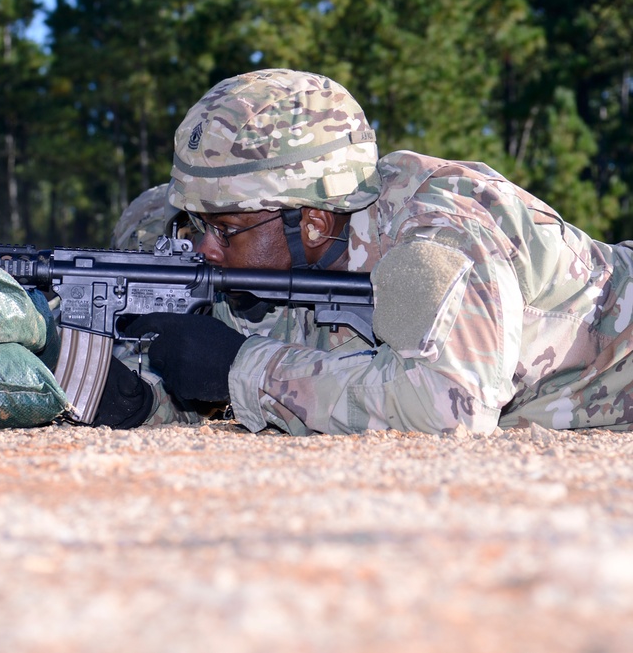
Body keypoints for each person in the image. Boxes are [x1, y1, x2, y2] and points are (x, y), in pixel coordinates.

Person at [94, 68, 633, 435]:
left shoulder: (434, 236)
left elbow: (445, 409)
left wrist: (240, 366)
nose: (204, 248)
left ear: (311, 221)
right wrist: (138, 395)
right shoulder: (285, 257)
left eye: (225, 228)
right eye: (194, 224)